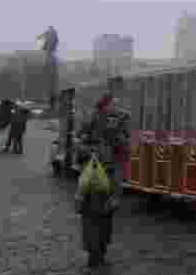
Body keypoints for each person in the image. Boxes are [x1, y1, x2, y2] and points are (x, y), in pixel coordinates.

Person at [75, 94, 130, 267]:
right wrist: (89, 151)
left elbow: (125, 146)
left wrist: (118, 137)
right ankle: (94, 251)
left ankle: (100, 249)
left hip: (109, 175)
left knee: (105, 214)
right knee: (92, 215)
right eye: (114, 104)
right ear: (105, 106)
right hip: (93, 174)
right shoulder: (90, 120)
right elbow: (78, 141)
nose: (116, 107)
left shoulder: (119, 120)